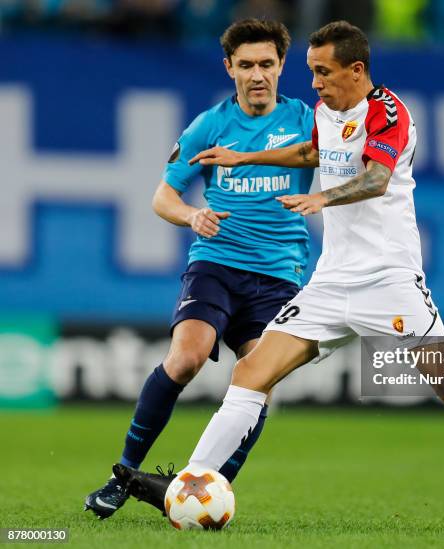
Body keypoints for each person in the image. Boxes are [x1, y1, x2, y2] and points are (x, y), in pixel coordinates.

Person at [115, 21, 444, 534]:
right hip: (329, 285)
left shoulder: (389, 113)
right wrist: (246, 156)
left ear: (357, 70)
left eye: (323, 72)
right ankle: (190, 485)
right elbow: (311, 153)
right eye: (310, 72)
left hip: (390, 280)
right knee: (251, 374)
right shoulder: (325, 114)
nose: (315, 84)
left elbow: (376, 177)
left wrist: (321, 198)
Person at [84, 18, 315, 519]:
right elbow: (162, 196)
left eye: (267, 64)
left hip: (278, 276)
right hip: (216, 264)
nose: (258, 75)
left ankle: (208, 488)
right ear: (229, 67)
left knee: (258, 384)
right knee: (187, 358)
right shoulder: (209, 125)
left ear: (281, 67)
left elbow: (347, 159)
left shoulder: (305, 121)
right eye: (247, 65)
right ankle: (122, 475)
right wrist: (192, 214)